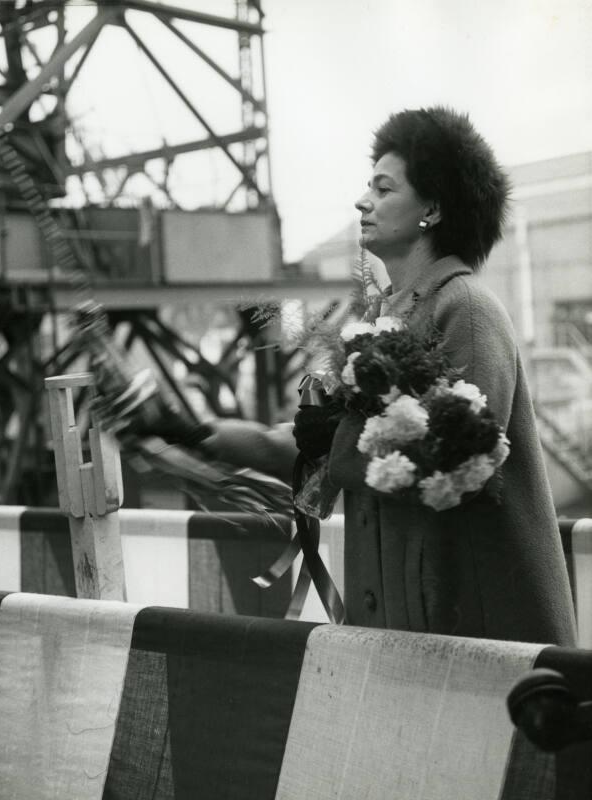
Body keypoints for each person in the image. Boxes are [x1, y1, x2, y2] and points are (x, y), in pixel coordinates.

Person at [150, 107, 577, 647]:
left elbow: (464, 462)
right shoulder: (378, 320)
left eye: (382, 187)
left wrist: (334, 439)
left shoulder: (466, 308)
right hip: (403, 628)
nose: (362, 200)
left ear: (433, 208)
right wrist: (192, 432)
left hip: (477, 629)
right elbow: (321, 447)